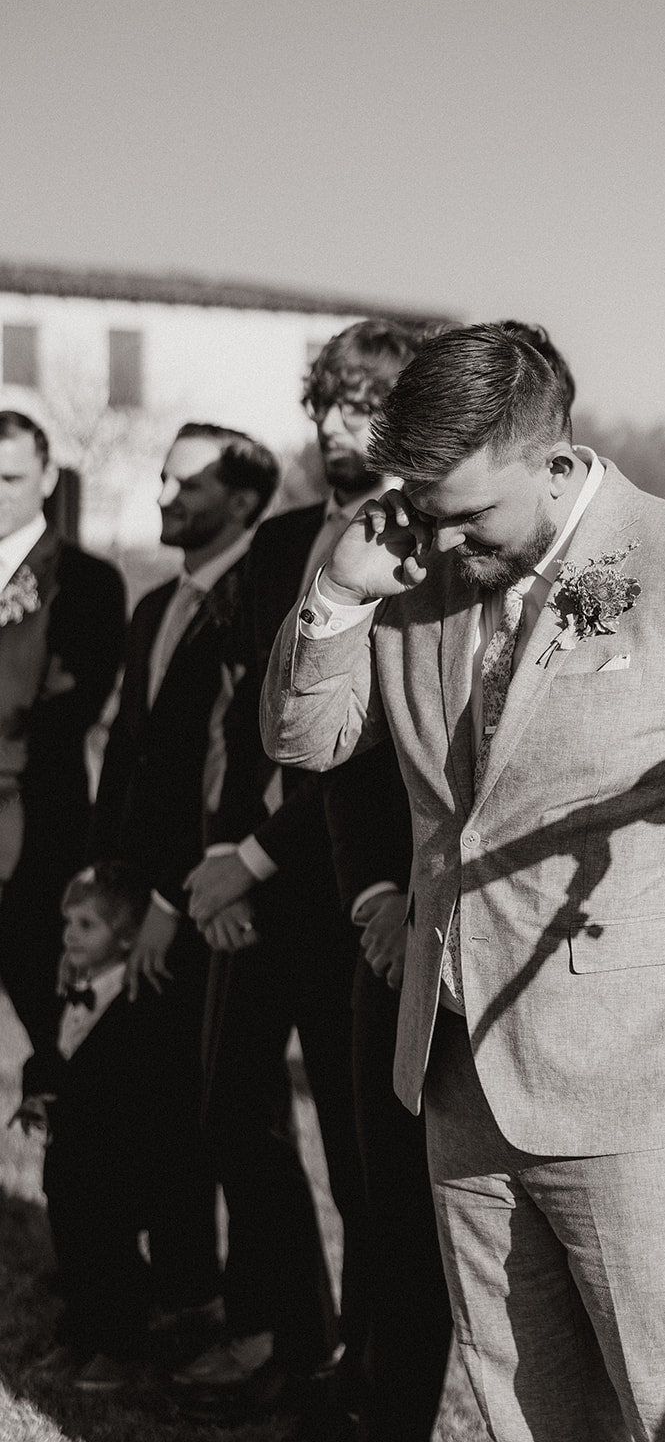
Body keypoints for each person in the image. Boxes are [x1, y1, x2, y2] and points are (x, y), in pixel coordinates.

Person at [261, 323, 665, 1442]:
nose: (443, 538)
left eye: (470, 513)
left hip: (651, 1082)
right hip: (456, 1070)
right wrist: (338, 598)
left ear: (551, 458)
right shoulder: (405, 565)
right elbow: (306, 745)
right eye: (425, 507)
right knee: (523, 1410)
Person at [181, 318, 453, 1435]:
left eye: (356, 405)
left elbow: (376, 748)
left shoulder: (435, 540)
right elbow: (277, 727)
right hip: (300, 883)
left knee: (378, 1180)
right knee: (252, 1124)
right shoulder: (293, 535)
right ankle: (324, 1364)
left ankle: (380, 1389)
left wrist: (259, 858)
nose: (332, 426)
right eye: (323, 407)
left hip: (377, 885)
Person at [90, 421, 282, 1368]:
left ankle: (256, 1325)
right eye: (161, 479)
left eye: (186, 484)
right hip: (146, 895)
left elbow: (229, 765)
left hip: (222, 893)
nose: (164, 496)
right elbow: (137, 752)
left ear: (243, 500)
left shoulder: (259, 598)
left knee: (231, 1117)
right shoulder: (156, 603)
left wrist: (179, 895)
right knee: (161, 1106)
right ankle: (185, 1293)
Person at [15, 862, 216, 1393]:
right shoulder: (69, 989)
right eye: (69, 922)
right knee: (73, 1251)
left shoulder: (141, 1000)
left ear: (126, 936)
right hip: (69, 1163)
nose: (70, 934)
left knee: (111, 1257)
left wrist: (73, 1103)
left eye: (87, 925)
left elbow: (128, 1086)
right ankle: (78, 1334)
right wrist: (36, 1093)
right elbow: (50, 1056)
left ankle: (121, 1348)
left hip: (114, 1165)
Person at [0, 411, 125, 1056]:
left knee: (55, 1030)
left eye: (9, 478)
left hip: (32, 830)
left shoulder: (86, 582)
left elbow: (66, 710)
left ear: (47, 477)